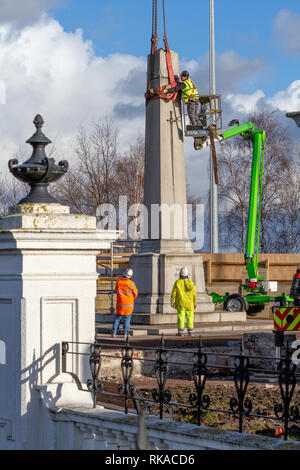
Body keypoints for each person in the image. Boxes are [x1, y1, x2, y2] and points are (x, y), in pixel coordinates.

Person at [111, 268, 138, 337]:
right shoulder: (131, 284)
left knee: (117, 319)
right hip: (128, 305)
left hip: (120, 305)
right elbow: (135, 294)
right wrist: (131, 298)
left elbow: (116, 290)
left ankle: (114, 333)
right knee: (127, 319)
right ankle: (125, 333)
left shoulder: (119, 282)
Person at [171, 267, 197, 336]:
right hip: (190, 303)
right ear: (187, 274)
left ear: (180, 274)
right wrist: (195, 303)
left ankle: (180, 332)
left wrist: (172, 302)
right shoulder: (191, 283)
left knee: (181, 317)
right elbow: (194, 294)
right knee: (190, 317)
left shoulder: (177, 282)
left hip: (181, 303)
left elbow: (173, 293)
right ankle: (191, 331)